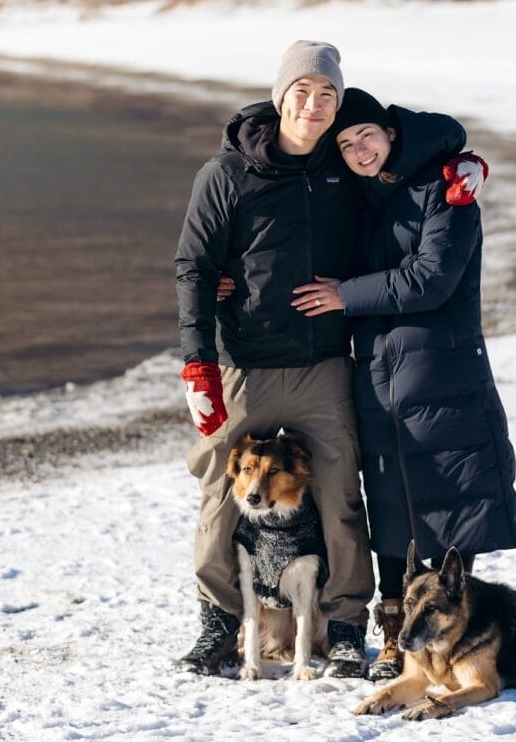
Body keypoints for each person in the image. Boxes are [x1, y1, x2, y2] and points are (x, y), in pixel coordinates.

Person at [292, 88, 516, 681]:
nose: (358, 150)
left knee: (449, 503)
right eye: (346, 143)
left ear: (392, 133)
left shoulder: (446, 190)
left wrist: (345, 295)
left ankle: (453, 636)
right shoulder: (363, 197)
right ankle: (396, 635)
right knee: (392, 506)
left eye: (366, 135)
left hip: (441, 370)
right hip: (378, 373)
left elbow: (432, 278)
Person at [174, 41, 376, 679]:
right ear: (280, 96)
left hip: (324, 366)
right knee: (221, 491)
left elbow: (415, 140)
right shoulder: (226, 175)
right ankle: (218, 625)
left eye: (327, 95)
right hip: (246, 367)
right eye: (302, 92)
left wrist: (466, 161)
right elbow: (194, 267)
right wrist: (198, 364)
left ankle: (346, 628)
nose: (314, 106)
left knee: (341, 497)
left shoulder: (345, 165)